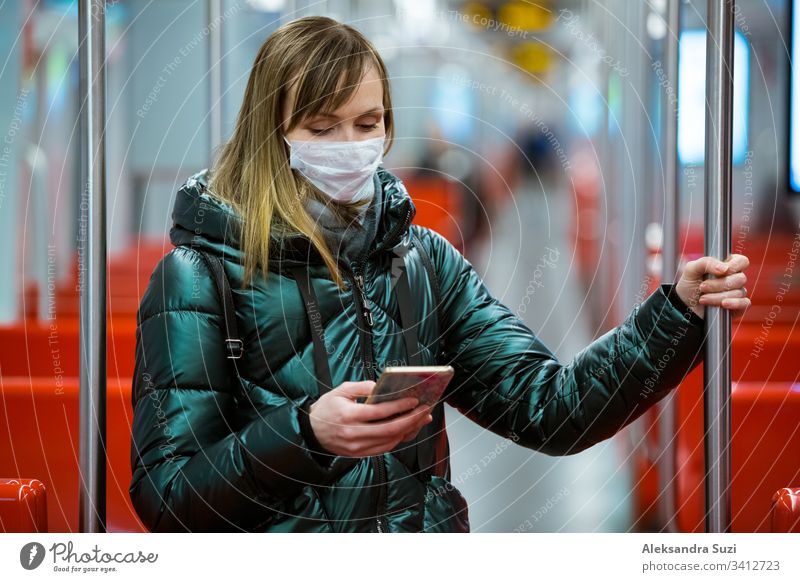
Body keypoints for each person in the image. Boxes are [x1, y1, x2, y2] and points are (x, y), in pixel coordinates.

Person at [128, 15, 750, 533]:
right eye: (321, 127)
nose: (349, 145)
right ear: (272, 134)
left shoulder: (424, 261)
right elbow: (170, 498)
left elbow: (552, 408)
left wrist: (675, 313)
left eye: (367, 124)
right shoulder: (198, 279)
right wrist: (306, 436)